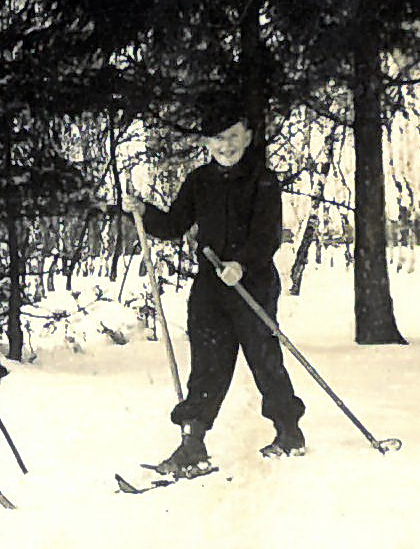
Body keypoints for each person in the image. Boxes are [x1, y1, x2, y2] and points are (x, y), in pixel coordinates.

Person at [124, 104, 306, 474]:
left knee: (264, 360)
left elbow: (267, 235)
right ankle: (193, 442)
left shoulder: (263, 181)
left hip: (253, 283)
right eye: (218, 138)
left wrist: (242, 264)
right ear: (206, 143)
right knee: (207, 364)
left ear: (248, 138)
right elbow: (174, 224)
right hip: (211, 286)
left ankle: (289, 431)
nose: (226, 145)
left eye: (233, 136)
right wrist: (143, 211)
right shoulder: (199, 181)